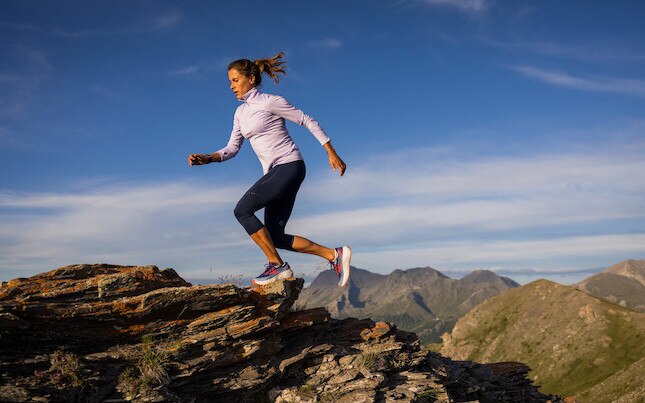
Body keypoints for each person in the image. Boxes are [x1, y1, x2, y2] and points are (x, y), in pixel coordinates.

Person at [187, 52, 351, 287]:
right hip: (276, 173)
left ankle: (277, 265)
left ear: (251, 79)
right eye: (230, 82)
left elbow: (306, 120)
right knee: (274, 236)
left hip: (289, 165)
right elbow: (232, 148)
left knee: (243, 210)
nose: (231, 86)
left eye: (235, 80)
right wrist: (208, 158)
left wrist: (330, 151)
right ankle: (334, 255)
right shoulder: (240, 113)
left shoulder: (270, 101)